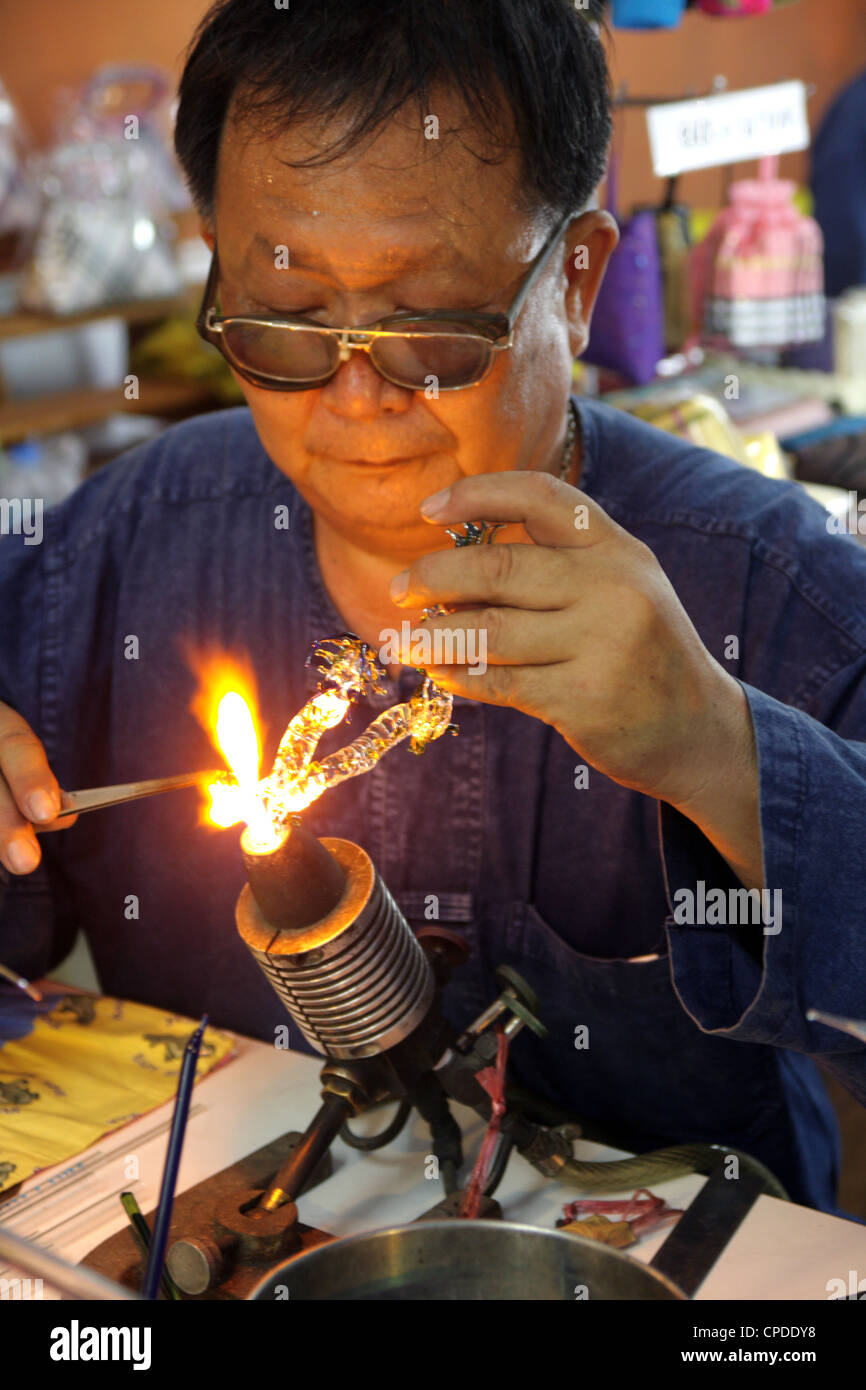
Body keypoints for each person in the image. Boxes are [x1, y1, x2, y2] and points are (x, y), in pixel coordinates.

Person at [1, 0, 865, 1213]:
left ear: (573, 277)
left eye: (427, 333)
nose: (354, 401)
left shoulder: (767, 590)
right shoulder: (114, 551)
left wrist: (722, 756)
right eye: (284, 327)